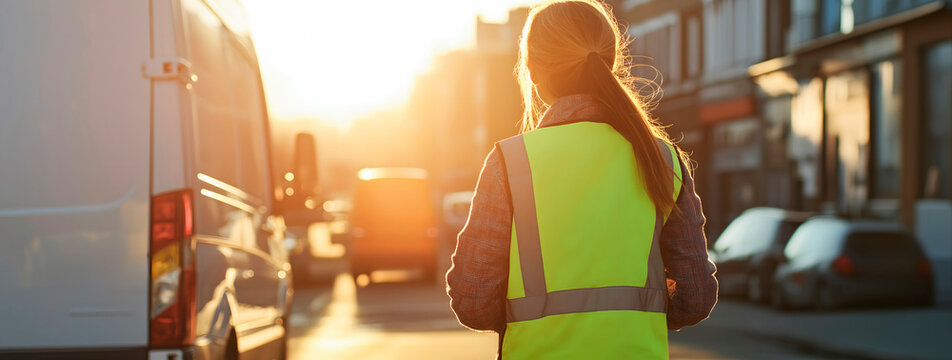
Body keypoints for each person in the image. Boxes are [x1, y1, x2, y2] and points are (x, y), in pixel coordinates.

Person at [445, 0, 718, 359]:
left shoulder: (510, 163)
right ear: (611, 62)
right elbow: (696, 297)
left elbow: (474, 301)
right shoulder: (664, 160)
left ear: (533, 69)